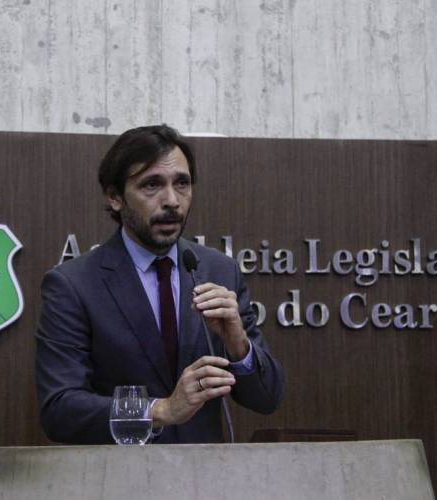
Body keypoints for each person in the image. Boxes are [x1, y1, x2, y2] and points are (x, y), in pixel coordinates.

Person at [35, 124, 283, 444]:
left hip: (206, 484)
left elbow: (267, 399)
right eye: (152, 185)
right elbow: (60, 409)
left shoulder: (218, 270)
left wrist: (239, 345)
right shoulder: (73, 285)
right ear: (115, 197)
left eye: (182, 183)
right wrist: (160, 410)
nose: (172, 201)